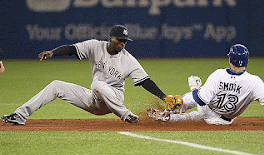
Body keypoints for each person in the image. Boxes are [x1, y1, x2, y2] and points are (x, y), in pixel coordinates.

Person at [2, 25, 169, 125]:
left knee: (97, 84)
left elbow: (145, 81)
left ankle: (127, 115)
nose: (123, 44)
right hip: (94, 99)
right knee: (56, 85)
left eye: (125, 41)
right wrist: (52, 53)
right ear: (110, 39)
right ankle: (20, 115)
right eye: (120, 40)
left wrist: (163, 97)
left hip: (115, 98)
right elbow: (71, 49)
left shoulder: (128, 60)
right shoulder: (95, 46)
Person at [147, 44, 264, 125]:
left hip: (207, 109)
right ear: (247, 61)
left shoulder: (218, 74)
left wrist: (194, 87)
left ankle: (170, 110)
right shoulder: (255, 82)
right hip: (222, 121)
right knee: (194, 117)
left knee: (190, 98)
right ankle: (170, 117)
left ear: (230, 59)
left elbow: (201, 100)